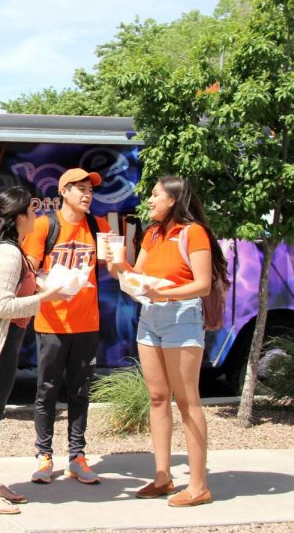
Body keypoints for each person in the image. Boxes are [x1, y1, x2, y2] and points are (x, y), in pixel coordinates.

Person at [110, 176, 227, 507]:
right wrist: (119, 265)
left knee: (188, 400)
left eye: (155, 194)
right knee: (158, 397)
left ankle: (199, 485)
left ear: (173, 200)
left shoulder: (193, 233)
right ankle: (162, 475)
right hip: (151, 317)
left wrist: (162, 292)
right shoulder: (153, 233)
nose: (150, 199)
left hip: (182, 316)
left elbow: (202, 285)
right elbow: (137, 277)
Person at [0, 187, 66, 515]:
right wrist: (47, 299)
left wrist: (45, 285)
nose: (37, 215)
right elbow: (2, 305)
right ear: (20, 217)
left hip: (4, 341)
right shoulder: (8, 253)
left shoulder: (11, 249)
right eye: (32, 210)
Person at [22, 168, 116, 485]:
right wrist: (48, 289)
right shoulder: (44, 225)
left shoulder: (98, 225)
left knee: (80, 391)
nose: (88, 194)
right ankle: (43, 456)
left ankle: (77, 455)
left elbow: (115, 268)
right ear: (64, 191)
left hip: (87, 323)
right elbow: (28, 272)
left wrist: (115, 257)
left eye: (91, 189)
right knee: (46, 390)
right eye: (81, 189)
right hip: (50, 322)